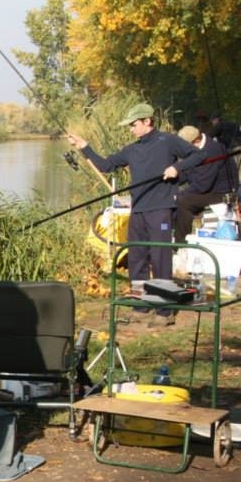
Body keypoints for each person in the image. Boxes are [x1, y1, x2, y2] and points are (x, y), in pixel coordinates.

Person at [67, 103, 203, 327]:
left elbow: (198, 155)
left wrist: (177, 169)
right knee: (137, 258)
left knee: (160, 258)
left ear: (147, 121)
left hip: (160, 209)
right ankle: (141, 305)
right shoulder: (132, 149)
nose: (131, 129)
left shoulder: (167, 141)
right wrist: (84, 146)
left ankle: (164, 310)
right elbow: (105, 165)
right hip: (137, 210)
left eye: (134, 124)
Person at [174, 125, 237, 243]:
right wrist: (170, 183)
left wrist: (178, 194)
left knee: (182, 201)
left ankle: (180, 244)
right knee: (171, 197)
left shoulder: (212, 151)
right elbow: (187, 173)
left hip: (221, 193)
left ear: (195, 141)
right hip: (209, 188)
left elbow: (202, 185)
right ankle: (169, 235)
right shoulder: (197, 150)